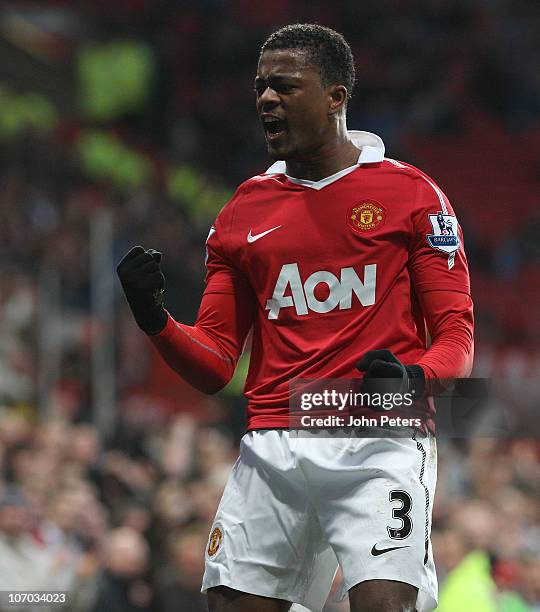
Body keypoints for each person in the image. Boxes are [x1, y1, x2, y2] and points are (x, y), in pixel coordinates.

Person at [117, 23, 474, 612]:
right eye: (260, 88)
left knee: (387, 607)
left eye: (284, 86)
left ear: (335, 96)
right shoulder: (242, 212)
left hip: (376, 438)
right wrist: (155, 320)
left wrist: (415, 380)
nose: (265, 100)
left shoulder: (412, 195)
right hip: (274, 444)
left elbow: (457, 337)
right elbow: (214, 362)